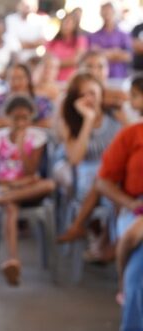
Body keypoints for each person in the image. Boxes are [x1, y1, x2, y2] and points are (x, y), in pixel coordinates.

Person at [0, 95, 55, 285]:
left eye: (25, 118)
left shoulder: (37, 138)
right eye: (16, 118)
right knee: (10, 207)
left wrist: (23, 146)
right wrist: (11, 183)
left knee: (49, 184)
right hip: (6, 187)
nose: (21, 122)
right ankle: (13, 260)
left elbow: (32, 171)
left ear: (31, 118)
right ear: (7, 118)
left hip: (30, 188)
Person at [57, 73, 123, 255]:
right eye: (83, 95)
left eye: (93, 93)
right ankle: (110, 244)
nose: (89, 98)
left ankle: (105, 241)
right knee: (106, 186)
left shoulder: (116, 117)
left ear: (101, 93)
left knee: (117, 191)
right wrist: (87, 119)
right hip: (86, 174)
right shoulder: (69, 121)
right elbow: (76, 159)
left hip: (115, 173)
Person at [95, 117, 143, 331]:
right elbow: (103, 182)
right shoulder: (132, 134)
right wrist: (132, 205)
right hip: (135, 205)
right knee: (140, 253)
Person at [0, 63, 53, 129]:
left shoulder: (42, 101)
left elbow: (47, 123)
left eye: (20, 78)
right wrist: (33, 124)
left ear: (29, 79)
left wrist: (12, 124)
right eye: (12, 78)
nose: (16, 82)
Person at [88, 2, 132, 84]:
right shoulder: (94, 36)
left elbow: (127, 56)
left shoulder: (124, 35)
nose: (106, 14)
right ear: (101, 13)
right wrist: (116, 51)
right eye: (104, 11)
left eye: (109, 11)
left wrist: (103, 52)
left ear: (114, 13)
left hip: (119, 77)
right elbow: (94, 56)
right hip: (98, 79)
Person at [47, 12, 88, 82]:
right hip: (54, 79)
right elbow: (47, 59)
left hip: (72, 80)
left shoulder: (80, 40)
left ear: (74, 25)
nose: (66, 25)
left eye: (69, 22)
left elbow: (77, 60)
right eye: (64, 22)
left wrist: (54, 64)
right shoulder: (53, 41)